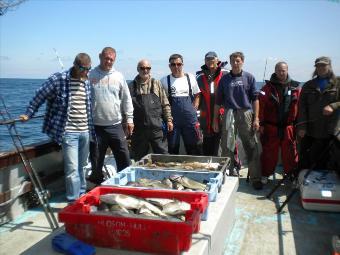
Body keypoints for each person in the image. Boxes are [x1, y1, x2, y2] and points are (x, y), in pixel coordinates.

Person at [20, 53, 95, 202]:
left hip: (85, 131)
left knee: (83, 166)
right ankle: (74, 201)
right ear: (75, 65)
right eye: (83, 69)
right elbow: (39, 96)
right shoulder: (58, 79)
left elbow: (89, 105)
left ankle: (81, 196)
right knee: (72, 169)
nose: (86, 72)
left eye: (89, 69)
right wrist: (28, 113)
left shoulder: (86, 82)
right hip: (68, 132)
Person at [213, 51, 262, 189]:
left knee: (251, 146)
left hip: (246, 113)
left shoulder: (249, 77)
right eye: (233, 61)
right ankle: (228, 174)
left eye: (238, 61)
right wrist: (215, 120)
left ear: (242, 62)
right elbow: (218, 102)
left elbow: (255, 99)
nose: (235, 63)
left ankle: (256, 178)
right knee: (227, 146)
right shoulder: (224, 79)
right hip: (229, 113)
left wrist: (256, 118)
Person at [87, 47, 133, 185]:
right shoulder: (90, 75)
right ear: (100, 56)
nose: (108, 61)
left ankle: (126, 185)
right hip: (95, 127)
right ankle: (97, 185)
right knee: (96, 161)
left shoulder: (119, 76)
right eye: (106, 58)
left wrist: (129, 119)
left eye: (111, 59)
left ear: (115, 60)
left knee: (124, 158)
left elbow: (126, 99)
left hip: (115, 126)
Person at [259, 62, 300, 182]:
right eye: (279, 70)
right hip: (271, 127)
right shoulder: (266, 88)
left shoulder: (296, 88)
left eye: (284, 70)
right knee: (269, 152)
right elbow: (260, 107)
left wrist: (300, 126)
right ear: (275, 71)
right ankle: (265, 174)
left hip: (289, 127)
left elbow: (300, 108)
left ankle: (291, 175)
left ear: (287, 70)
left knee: (290, 153)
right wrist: (260, 123)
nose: (281, 73)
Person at [297, 56, 340, 170]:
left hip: (331, 130)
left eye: (323, 65)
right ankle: (303, 182)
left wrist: (333, 105)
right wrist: (302, 126)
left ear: (329, 66)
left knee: (328, 160)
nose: (321, 68)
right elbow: (301, 107)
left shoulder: (338, 83)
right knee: (307, 158)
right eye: (318, 65)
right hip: (310, 130)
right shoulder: (308, 85)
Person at [128, 59, 173, 160]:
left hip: (156, 128)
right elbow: (126, 107)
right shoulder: (131, 86)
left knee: (163, 156)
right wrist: (126, 123)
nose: (145, 70)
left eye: (148, 68)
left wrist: (169, 120)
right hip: (138, 129)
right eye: (142, 68)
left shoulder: (156, 83)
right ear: (137, 69)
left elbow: (165, 103)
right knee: (138, 158)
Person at [160, 53, 201, 155]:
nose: (176, 67)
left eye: (179, 64)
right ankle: (173, 170)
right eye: (173, 64)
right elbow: (161, 100)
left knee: (193, 146)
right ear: (169, 66)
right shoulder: (164, 80)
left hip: (190, 119)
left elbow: (197, 94)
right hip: (173, 120)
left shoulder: (190, 77)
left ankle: (193, 169)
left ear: (182, 65)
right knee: (172, 147)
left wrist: (194, 106)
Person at [196, 51, 229, 156]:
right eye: (207, 59)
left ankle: (232, 166)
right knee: (206, 146)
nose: (210, 61)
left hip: (223, 116)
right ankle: (208, 167)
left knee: (225, 144)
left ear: (217, 60)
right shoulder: (199, 77)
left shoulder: (226, 74)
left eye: (212, 58)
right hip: (205, 118)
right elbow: (197, 96)